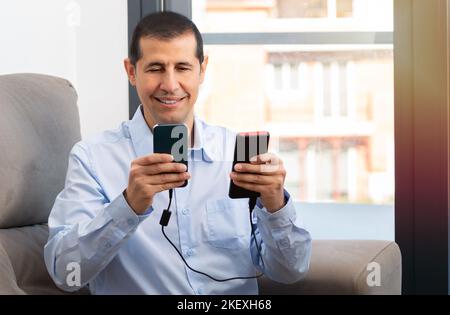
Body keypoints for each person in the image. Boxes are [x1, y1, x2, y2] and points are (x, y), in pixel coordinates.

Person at [44, 11, 311, 295]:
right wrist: (127, 206)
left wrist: (276, 205)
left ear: (202, 70)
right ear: (132, 72)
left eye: (182, 68)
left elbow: (290, 271)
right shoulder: (93, 158)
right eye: (156, 68)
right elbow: (66, 273)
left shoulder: (236, 154)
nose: (170, 85)